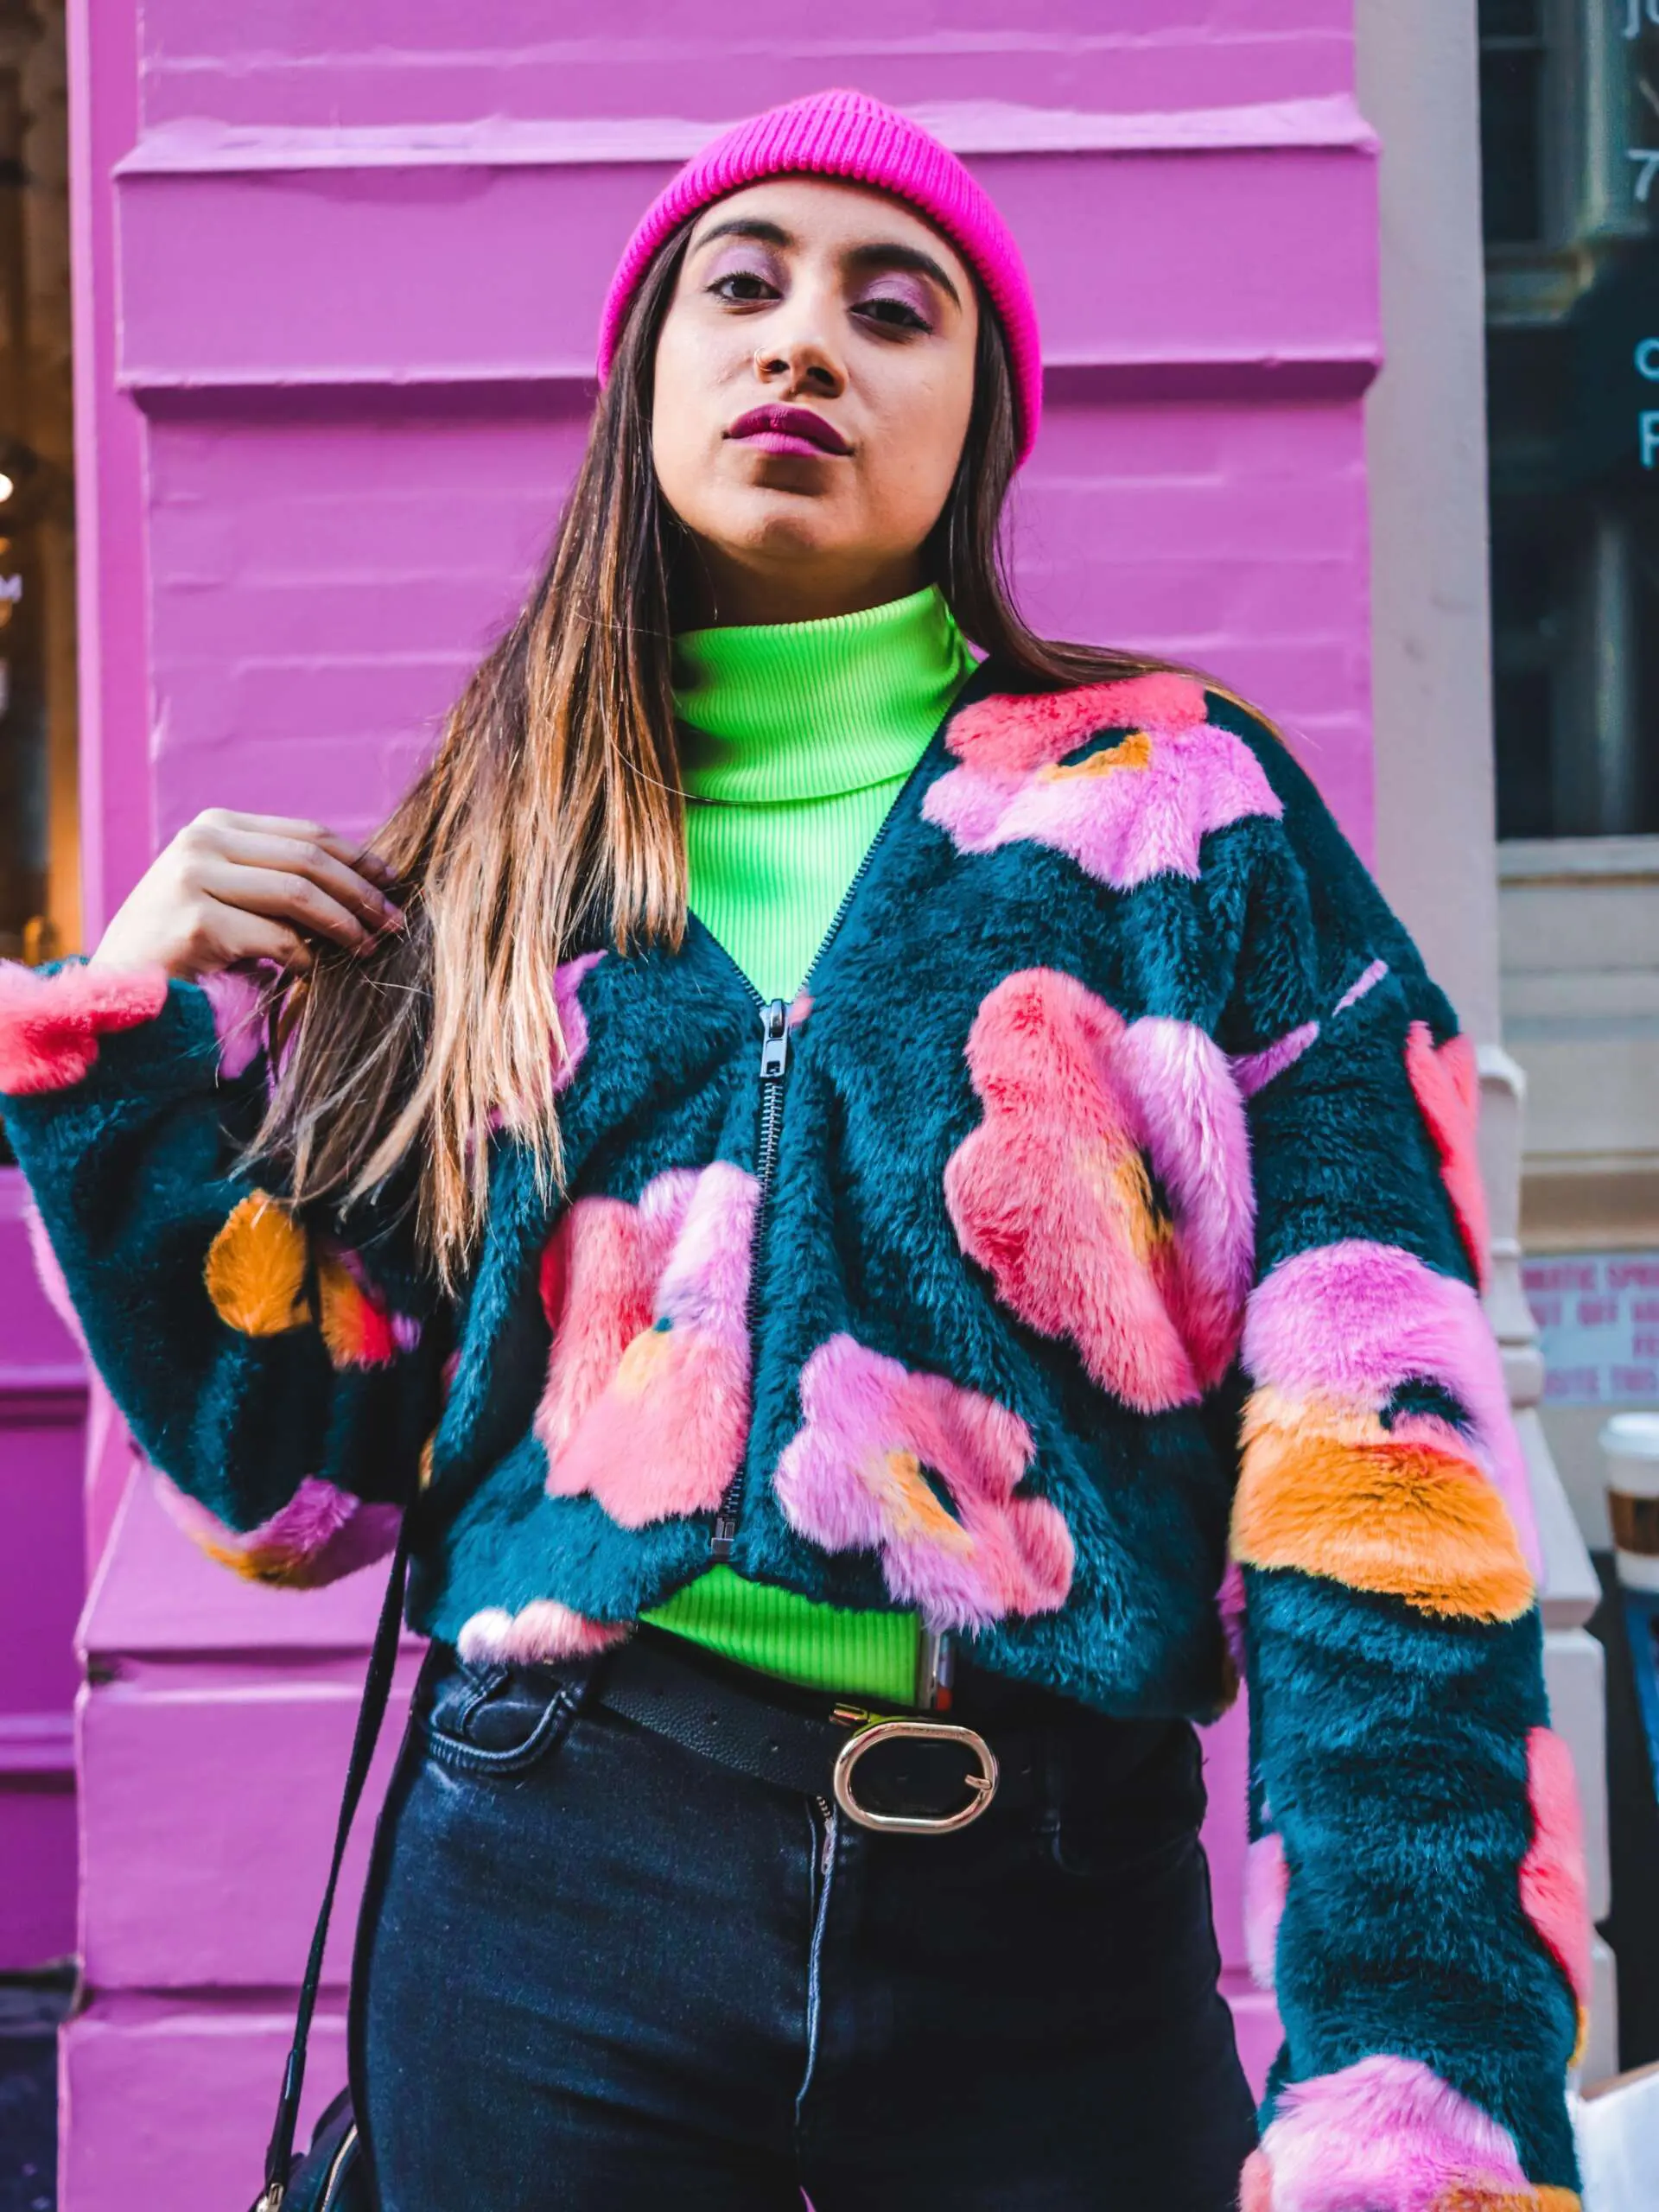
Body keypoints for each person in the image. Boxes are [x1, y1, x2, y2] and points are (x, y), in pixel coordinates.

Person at [0, 89, 1588, 2212]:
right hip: (557, 1896)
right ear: (648, 378)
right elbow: (302, 1466)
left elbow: (1392, 1493)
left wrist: (1420, 2090)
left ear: (979, 428)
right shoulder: (505, 863)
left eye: (892, 308)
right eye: (739, 289)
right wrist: (111, 1056)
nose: (805, 341)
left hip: (1055, 1927)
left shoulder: (1187, 819)